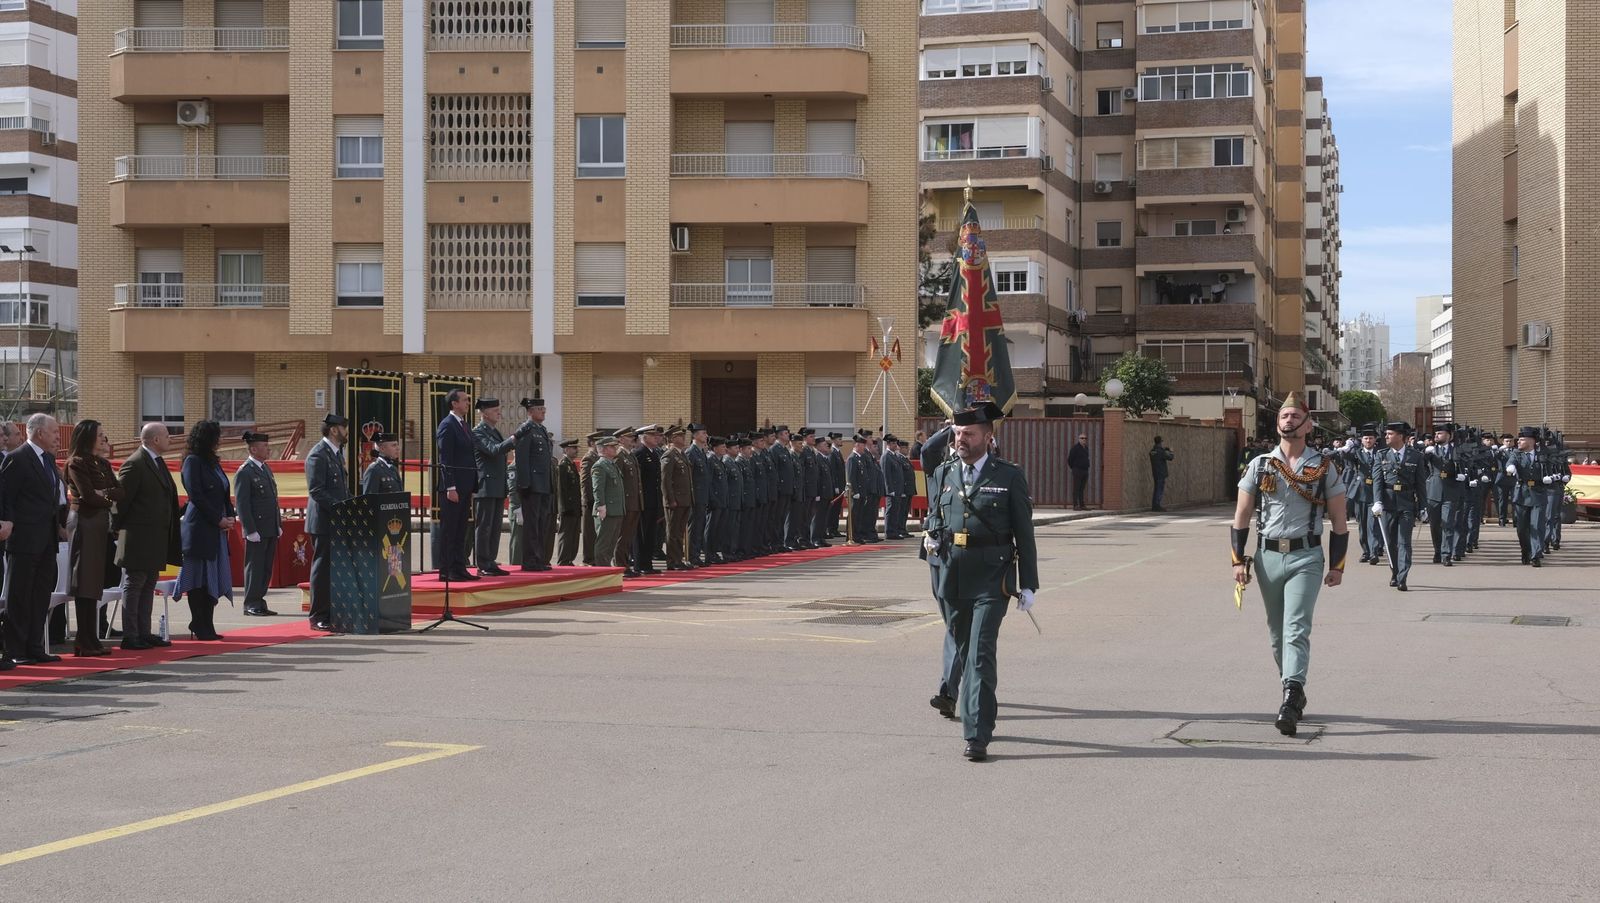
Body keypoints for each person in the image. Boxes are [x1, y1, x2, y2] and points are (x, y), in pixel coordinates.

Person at [922, 403, 1038, 761]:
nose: (961, 440)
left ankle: (977, 733)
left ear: (988, 438)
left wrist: (1030, 583)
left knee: (980, 655)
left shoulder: (1008, 476)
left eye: (969, 434)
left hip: (993, 577)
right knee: (964, 651)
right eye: (957, 433)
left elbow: (1024, 532)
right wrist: (931, 536)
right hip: (954, 574)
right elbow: (935, 516)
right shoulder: (944, 472)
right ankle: (975, 719)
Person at [1230, 393, 1349, 737]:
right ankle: (1293, 687)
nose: (1288, 420)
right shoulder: (1261, 464)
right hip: (1267, 557)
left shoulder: (1324, 466)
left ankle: (1290, 697)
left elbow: (1339, 521)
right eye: (1284, 416)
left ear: (1308, 424)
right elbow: (1241, 516)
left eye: (1295, 416)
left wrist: (1338, 566)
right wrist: (1238, 561)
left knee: (1296, 627)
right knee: (1276, 632)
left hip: (1306, 557)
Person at [0, 413, 68, 664]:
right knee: (20, 596)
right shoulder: (18, 459)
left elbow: (53, 496)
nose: (57, 436)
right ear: (40, 433)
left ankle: (34, 647)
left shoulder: (48, 460)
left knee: (40, 596)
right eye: (53, 432)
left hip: (47, 538)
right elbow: (6, 497)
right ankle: (16, 650)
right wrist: (9, 524)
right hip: (24, 539)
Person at [113, 422, 181, 649]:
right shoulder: (135, 464)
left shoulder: (156, 462)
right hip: (137, 537)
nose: (170, 438)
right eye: (166, 435)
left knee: (149, 584)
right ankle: (130, 635)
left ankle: (143, 632)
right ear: (155, 440)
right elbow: (121, 502)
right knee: (134, 585)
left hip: (155, 537)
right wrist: (119, 530)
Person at [62, 420, 121, 657]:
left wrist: (104, 494)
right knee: (84, 580)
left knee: (95, 581)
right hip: (85, 522)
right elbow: (87, 495)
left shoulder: (103, 463)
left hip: (99, 524)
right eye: (99, 435)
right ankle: (83, 639)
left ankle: (92, 637)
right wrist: (107, 497)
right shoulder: (76, 463)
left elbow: (120, 491)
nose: (103, 439)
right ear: (87, 437)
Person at [174, 421, 236, 641]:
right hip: (200, 528)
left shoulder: (213, 463)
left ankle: (207, 623)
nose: (219, 441)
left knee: (213, 576)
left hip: (217, 528)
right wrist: (218, 519)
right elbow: (197, 496)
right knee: (198, 579)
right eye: (216, 437)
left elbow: (224, 492)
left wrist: (229, 516)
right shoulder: (193, 461)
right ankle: (199, 623)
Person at [305, 412, 351, 630]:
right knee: (322, 570)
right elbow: (317, 491)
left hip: (337, 520)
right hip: (323, 521)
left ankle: (332, 612)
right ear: (334, 430)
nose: (347, 432)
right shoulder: (318, 454)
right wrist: (340, 508)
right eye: (344, 428)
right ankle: (318, 616)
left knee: (334, 569)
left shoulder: (336, 453)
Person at [1372, 422, 1425, 590]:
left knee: (1404, 542)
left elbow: (1421, 484)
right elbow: (1377, 481)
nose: (1386, 437)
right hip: (1387, 504)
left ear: (1400, 436)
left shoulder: (1416, 456)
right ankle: (1395, 571)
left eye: (1389, 434)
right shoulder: (1381, 455)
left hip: (1406, 504)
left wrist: (1423, 507)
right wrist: (1377, 501)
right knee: (1390, 542)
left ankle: (1403, 577)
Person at [233, 430, 281, 617]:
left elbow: (273, 499)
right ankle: (251, 603)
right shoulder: (245, 471)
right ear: (253, 449)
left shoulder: (265, 468)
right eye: (264, 446)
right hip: (257, 529)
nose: (268, 449)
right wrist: (249, 529)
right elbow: (242, 503)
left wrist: (278, 523)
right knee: (254, 567)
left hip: (269, 527)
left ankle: (260, 601)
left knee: (266, 567)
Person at [471, 397, 519, 577]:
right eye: (495, 410)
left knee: (495, 526)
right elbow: (493, 450)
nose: (499, 413)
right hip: (486, 485)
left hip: (497, 485)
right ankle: (483, 563)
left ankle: (491, 560)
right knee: (484, 527)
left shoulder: (494, 431)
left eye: (499, 409)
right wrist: (513, 439)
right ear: (484, 413)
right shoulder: (478, 432)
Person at [435, 390, 478, 582]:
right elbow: (446, 458)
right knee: (450, 531)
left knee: (461, 530)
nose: (468, 403)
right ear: (454, 404)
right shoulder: (447, 425)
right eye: (465, 400)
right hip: (452, 488)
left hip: (465, 486)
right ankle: (447, 569)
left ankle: (460, 567)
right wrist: (450, 486)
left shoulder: (464, 425)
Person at [509, 397, 550, 572]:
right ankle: (530, 561)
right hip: (531, 486)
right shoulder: (526, 430)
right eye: (539, 409)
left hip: (543, 485)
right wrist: (524, 485)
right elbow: (522, 460)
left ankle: (539, 559)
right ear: (530, 411)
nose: (543, 411)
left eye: (544, 408)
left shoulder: (541, 430)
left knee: (541, 524)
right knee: (531, 525)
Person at [1423, 424, 1465, 566]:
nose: (1436, 436)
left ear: (1449, 435)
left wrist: (1463, 475)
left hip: (1450, 491)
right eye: (1436, 434)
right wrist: (1425, 455)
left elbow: (1465, 465)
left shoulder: (1457, 450)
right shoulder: (1430, 451)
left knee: (1448, 523)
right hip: (1434, 491)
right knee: (1435, 525)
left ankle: (1446, 554)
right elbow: (1422, 467)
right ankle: (1437, 551)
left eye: (1440, 433)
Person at [1507, 426, 1549, 566]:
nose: (1518, 441)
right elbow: (1511, 461)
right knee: (1522, 528)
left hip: (1538, 493)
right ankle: (1525, 550)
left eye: (1522, 439)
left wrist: (1553, 476)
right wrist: (1510, 467)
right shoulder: (1516, 453)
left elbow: (1551, 467)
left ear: (1531, 441)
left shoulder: (1543, 454)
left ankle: (1535, 555)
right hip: (1522, 494)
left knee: (1537, 525)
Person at [660, 426, 693, 570]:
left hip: (685, 500)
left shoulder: (682, 454)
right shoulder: (669, 455)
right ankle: (672, 561)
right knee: (673, 532)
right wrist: (670, 500)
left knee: (679, 532)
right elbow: (665, 481)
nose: (684, 438)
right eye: (680, 436)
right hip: (675, 501)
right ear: (673, 439)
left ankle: (678, 559)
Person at [590, 436, 626, 566]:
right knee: (604, 544)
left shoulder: (612, 465)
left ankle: (606, 568)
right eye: (611, 446)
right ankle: (601, 570)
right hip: (607, 511)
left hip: (616, 510)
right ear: (604, 450)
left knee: (611, 544)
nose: (615, 448)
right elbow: (597, 489)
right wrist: (601, 507)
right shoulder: (599, 466)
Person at [633, 425, 664, 575]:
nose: (657, 438)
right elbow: (638, 481)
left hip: (653, 500)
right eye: (653, 436)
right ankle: (640, 564)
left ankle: (648, 564)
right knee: (642, 534)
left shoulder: (653, 454)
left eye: (657, 435)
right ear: (644, 438)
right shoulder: (639, 453)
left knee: (651, 533)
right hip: (644, 500)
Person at [612, 428, 642, 576]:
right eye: (629, 437)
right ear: (621, 439)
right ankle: (620, 565)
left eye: (632, 437)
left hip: (634, 502)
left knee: (628, 536)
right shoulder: (619, 456)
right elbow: (617, 482)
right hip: (626, 503)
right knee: (622, 536)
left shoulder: (630, 456)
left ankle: (625, 564)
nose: (632, 439)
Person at [686, 423, 711, 566]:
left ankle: (696, 554)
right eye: (703, 433)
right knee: (694, 527)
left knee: (700, 526)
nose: (706, 436)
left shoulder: (701, 452)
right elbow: (688, 478)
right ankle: (691, 556)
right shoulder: (691, 453)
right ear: (695, 435)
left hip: (703, 496)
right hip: (695, 497)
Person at [555, 438, 582, 566]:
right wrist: (563, 509)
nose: (576, 450)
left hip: (574, 507)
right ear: (566, 450)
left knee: (574, 535)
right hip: (567, 508)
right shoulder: (562, 465)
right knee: (566, 535)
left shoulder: (571, 464)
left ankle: (569, 559)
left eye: (576, 448)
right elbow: (561, 489)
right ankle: (563, 560)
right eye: (573, 448)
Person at [1149, 435, 1174, 512]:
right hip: (1161, 473)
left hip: (1155, 472)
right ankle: (1157, 505)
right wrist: (1171, 451)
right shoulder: (1161, 452)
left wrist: (1164, 449)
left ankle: (1154, 505)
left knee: (1156, 489)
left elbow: (1157, 454)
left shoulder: (1152, 451)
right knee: (1159, 489)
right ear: (1160, 442)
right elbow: (1170, 457)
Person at [1067, 433, 1091, 510]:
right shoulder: (1075, 448)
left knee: (1082, 488)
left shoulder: (1086, 448)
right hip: (1077, 470)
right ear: (1079, 439)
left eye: (1085, 438)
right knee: (1076, 488)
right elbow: (1070, 459)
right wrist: (1074, 467)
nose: (1084, 440)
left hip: (1085, 470)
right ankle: (1075, 505)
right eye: (1082, 438)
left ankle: (1082, 505)